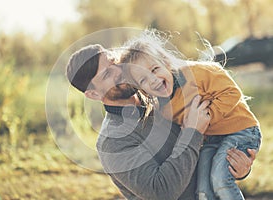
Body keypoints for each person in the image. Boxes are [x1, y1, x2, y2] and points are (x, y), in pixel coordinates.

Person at [66, 41, 256, 199]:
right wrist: (192, 132)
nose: (119, 70)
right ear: (93, 94)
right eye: (107, 74)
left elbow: (211, 143)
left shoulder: (161, 93)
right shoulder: (112, 143)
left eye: (114, 61)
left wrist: (237, 167)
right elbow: (161, 192)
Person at [119, 29, 261, 199]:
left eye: (155, 69)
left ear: (166, 62)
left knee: (221, 181)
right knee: (203, 192)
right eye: (143, 80)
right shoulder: (162, 108)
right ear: (140, 89)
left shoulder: (197, 73)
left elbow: (232, 93)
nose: (153, 80)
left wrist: (206, 118)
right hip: (210, 141)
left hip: (240, 130)